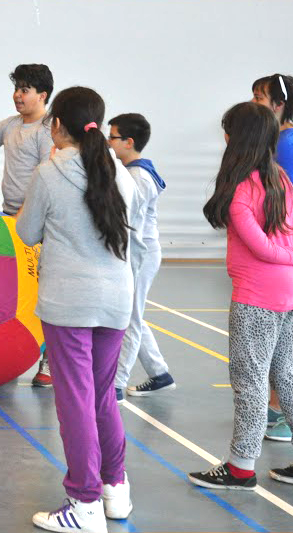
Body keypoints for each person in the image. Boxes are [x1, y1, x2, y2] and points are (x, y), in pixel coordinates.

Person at [17, 87, 144, 533]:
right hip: (115, 299)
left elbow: (28, 232)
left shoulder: (50, 173)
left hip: (69, 302)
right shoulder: (121, 174)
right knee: (102, 395)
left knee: (75, 401)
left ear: (58, 126)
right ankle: (115, 491)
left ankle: (84, 503)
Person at [188, 102, 293, 489]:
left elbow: (263, 247)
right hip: (288, 294)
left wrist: (286, 257)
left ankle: (240, 467)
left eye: (227, 132)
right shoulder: (280, 178)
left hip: (257, 297)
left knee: (250, 380)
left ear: (237, 138)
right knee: (286, 375)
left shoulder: (240, 189)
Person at [0, 63, 54, 386]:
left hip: (38, 224)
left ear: (42, 95)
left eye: (24, 89)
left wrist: (22, 220)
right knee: (11, 293)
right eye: (16, 88)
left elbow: (46, 179)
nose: (17, 95)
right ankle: (7, 356)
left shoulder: (48, 132)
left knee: (43, 292)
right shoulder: (11, 126)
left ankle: (49, 361)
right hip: (10, 218)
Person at [107, 113, 174, 402]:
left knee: (130, 319)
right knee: (135, 315)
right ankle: (160, 374)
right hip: (135, 253)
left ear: (129, 142)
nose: (109, 142)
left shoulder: (138, 176)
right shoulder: (130, 171)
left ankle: (117, 385)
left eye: (113, 137)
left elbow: (126, 216)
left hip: (141, 255)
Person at [250, 73, 293, 442]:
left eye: (260, 97)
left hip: (283, 259)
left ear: (279, 105)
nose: (254, 103)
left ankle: (278, 412)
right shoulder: (278, 142)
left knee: (282, 346)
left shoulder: (286, 145)